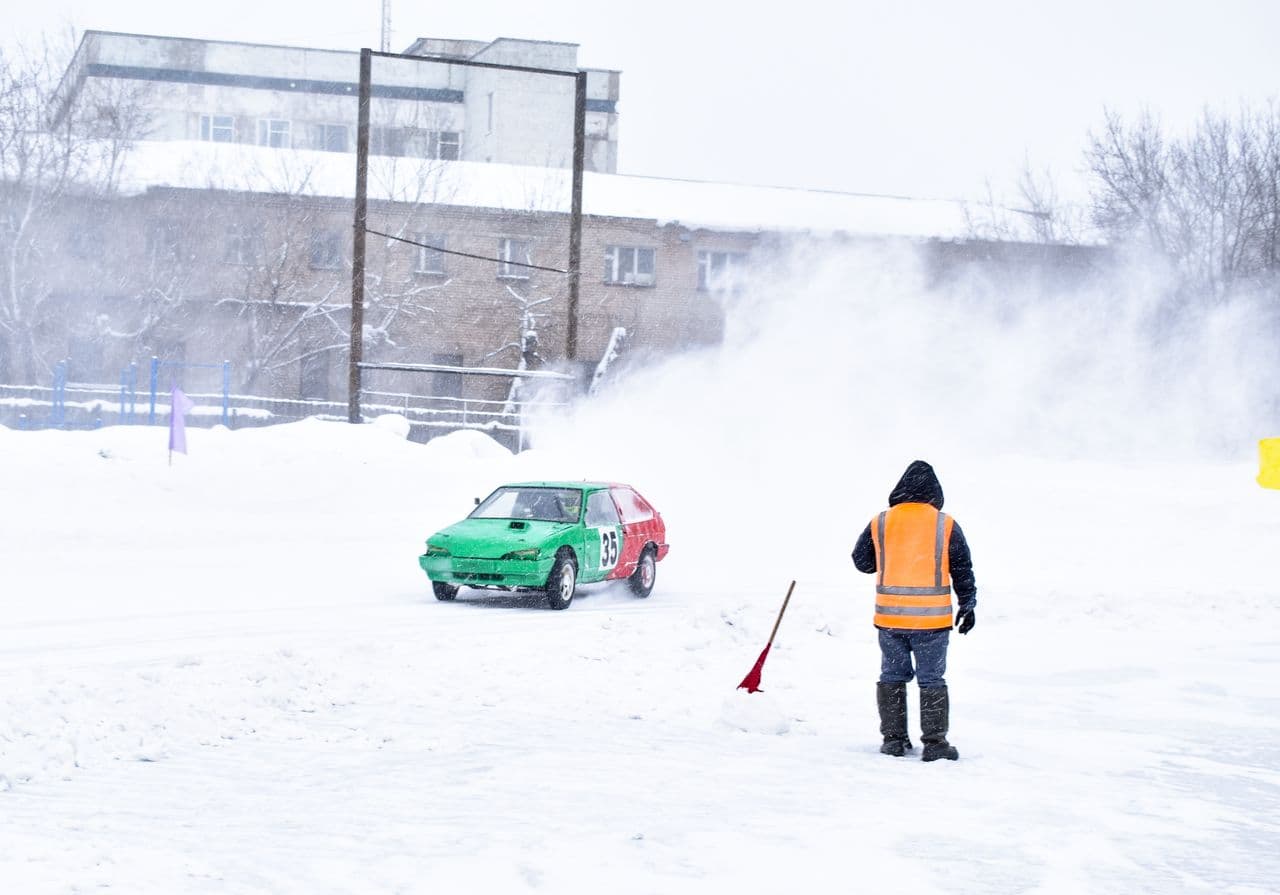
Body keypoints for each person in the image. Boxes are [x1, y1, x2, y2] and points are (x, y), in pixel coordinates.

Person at [852, 460, 976, 761]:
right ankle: (935, 744)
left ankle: (893, 741)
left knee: (892, 674)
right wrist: (968, 602)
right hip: (932, 623)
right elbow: (961, 568)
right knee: (931, 679)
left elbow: (862, 562)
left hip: (890, 620)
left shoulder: (880, 522)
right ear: (935, 492)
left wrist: (893, 557)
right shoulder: (944, 524)